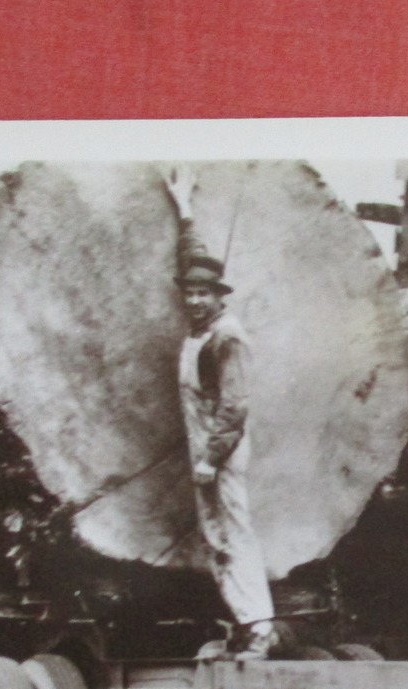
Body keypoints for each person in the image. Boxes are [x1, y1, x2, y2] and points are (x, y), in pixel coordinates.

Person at [163, 166, 277, 657]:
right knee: (215, 533)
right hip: (203, 444)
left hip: (221, 448)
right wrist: (184, 209)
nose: (194, 298)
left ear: (218, 298)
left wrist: (211, 457)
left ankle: (260, 625)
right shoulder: (199, 322)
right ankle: (242, 619)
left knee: (233, 528)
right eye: (189, 292)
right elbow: (195, 261)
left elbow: (235, 406)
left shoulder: (227, 338)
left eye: (203, 293)